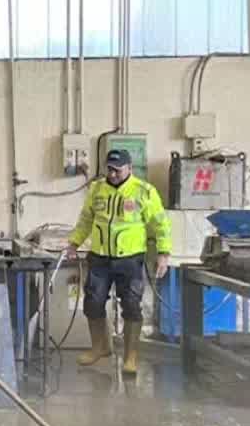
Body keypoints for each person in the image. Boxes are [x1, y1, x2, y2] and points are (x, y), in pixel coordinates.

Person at [67, 148, 172, 376]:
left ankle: (130, 357)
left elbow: (160, 224)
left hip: (130, 259)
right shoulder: (97, 190)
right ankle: (100, 347)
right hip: (100, 257)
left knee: (132, 306)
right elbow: (86, 219)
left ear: (129, 168)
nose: (113, 174)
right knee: (93, 302)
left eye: (118, 170)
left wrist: (163, 253)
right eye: (110, 169)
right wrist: (74, 243)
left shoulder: (144, 191)